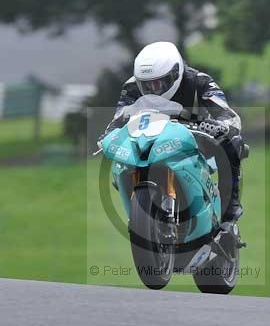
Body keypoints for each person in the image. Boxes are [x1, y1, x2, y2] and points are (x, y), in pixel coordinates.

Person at [103, 41, 245, 222]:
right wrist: (109, 135)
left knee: (232, 142)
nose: (154, 90)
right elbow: (118, 119)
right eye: (148, 85)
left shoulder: (200, 81)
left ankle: (229, 205)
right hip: (149, 141)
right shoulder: (131, 87)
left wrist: (221, 126)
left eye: (160, 83)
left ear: (176, 73)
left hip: (195, 138)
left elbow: (229, 116)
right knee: (120, 162)